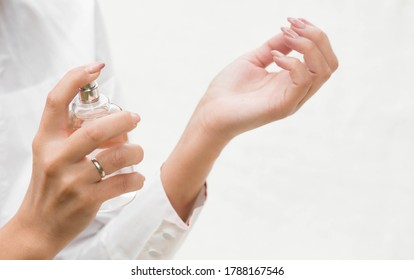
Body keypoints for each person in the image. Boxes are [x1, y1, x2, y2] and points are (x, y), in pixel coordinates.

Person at [0, 1, 338, 259]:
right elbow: (45, 237)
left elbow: (88, 258)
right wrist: (34, 231)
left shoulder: (68, 17)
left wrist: (208, 129)